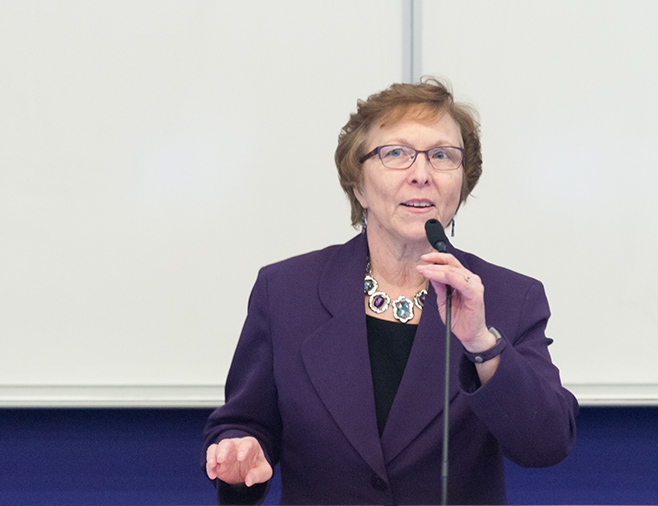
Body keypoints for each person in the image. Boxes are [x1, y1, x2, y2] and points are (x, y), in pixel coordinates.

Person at [203, 77, 578, 505]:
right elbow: (244, 423)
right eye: (395, 153)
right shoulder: (287, 291)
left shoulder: (511, 298)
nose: (421, 175)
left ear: (462, 182)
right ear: (358, 184)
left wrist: (481, 344)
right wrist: (240, 456)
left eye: (441, 156)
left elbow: (546, 445)